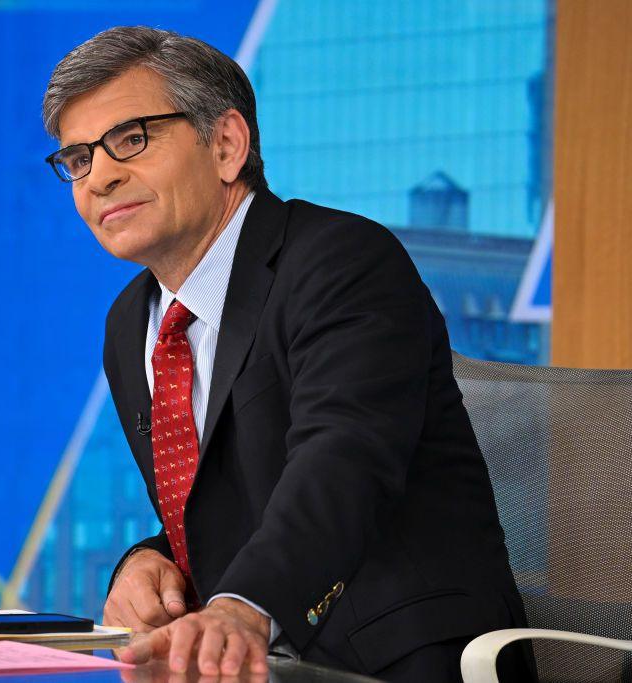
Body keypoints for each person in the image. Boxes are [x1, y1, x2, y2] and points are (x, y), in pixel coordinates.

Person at [41, 26, 534, 683]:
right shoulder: (132, 321)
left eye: (131, 139)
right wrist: (148, 559)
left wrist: (246, 607)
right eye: (77, 158)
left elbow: (344, 461)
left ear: (226, 144)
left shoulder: (342, 263)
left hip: (394, 660)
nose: (99, 176)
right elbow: (235, 499)